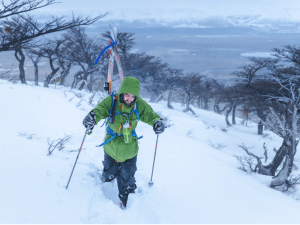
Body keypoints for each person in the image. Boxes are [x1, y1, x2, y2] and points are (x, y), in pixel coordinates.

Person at [83, 76, 165, 208]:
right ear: (122, 92)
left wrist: (157, 122)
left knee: (128, 176)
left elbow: (150, 115)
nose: (129, 99)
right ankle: (110, 174)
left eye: (133, 97)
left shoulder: (139, 104)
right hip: (111, 145)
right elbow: (99, 110)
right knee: (108, 175)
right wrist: (92, 118)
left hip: (129, 148)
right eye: (127, 95)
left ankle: (126, 196)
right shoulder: (112, 101)